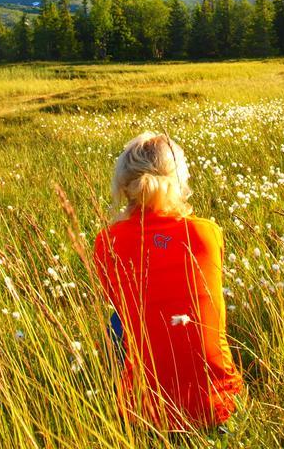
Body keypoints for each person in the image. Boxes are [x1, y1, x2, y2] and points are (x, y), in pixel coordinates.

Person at [93, 132, 243, 431]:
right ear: (179, 180)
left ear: (124, 185)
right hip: (219, 408)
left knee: (116, 321)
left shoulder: (107, 242)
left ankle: (118, 389)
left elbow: (120, 301)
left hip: (144, 412)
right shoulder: (207, 234)